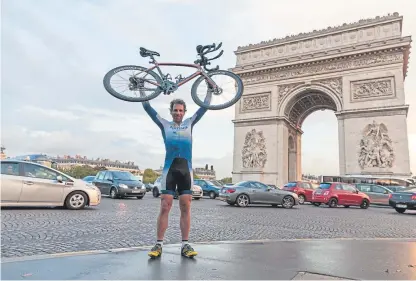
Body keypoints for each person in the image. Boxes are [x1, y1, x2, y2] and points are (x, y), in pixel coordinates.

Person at [142, 94, 211, 259]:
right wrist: (142, 91)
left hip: (186, 169)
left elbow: (204, 107)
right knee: (165, 205)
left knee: (186, 206)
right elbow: (147, 108)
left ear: (184, 111)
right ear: (171, 111)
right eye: (175, 110)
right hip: (170, 169)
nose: (178, 113)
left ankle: (185, 244)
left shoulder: (190, 123)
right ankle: (158, 244)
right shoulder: (164, 124)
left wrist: (209, 90)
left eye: (181, 110)